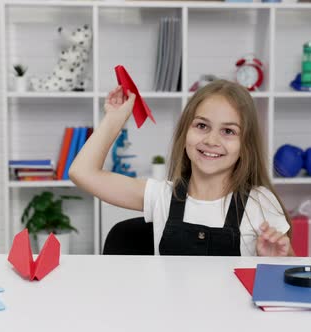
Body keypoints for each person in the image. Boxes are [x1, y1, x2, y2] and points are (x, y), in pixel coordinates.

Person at [69, 80, 294, 256]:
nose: (212, 140)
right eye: (202, 125)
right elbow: (82, 172)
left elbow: (292, 274)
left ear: (245, 146)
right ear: (185, 133)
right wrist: (115, 118)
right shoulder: (161, 196)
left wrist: (277, 259)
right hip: (170, 315)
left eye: (228, 131)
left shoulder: (260, 202)